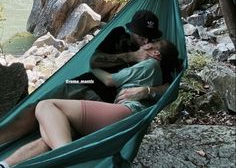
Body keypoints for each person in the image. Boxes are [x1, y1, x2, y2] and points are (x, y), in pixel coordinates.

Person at [0, 39, 182, 168]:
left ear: (156, 52)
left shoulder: (149, 65)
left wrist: (94, 69)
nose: (146, 43)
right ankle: (6, 164)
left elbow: (110, 79)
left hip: (110, 102)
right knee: (53, 133)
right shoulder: (120, 36)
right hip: (99, 100)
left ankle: (66, 156)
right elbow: (95, 58)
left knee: (45, 106)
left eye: (152, 43)